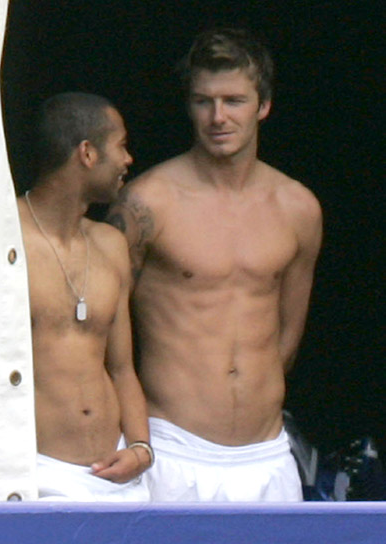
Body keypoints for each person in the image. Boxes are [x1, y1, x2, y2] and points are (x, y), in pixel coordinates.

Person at [106, 28, 323, 502]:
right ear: (189, 106)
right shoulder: (148, 202)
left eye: (234, 101)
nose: (218, 117)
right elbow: (103, 330)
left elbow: (287, 336)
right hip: (171, 448)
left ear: (263, 105)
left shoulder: (298, 208)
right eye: (204, 101)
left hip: (266, 455)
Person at [18, 92, 154, 502]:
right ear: (88, 153)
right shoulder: (5, 234)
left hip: (116, 474)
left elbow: (122, 367)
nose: (128, 159)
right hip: (37, 472)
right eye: (121, 145)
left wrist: (141, 448)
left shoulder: (111, 244)